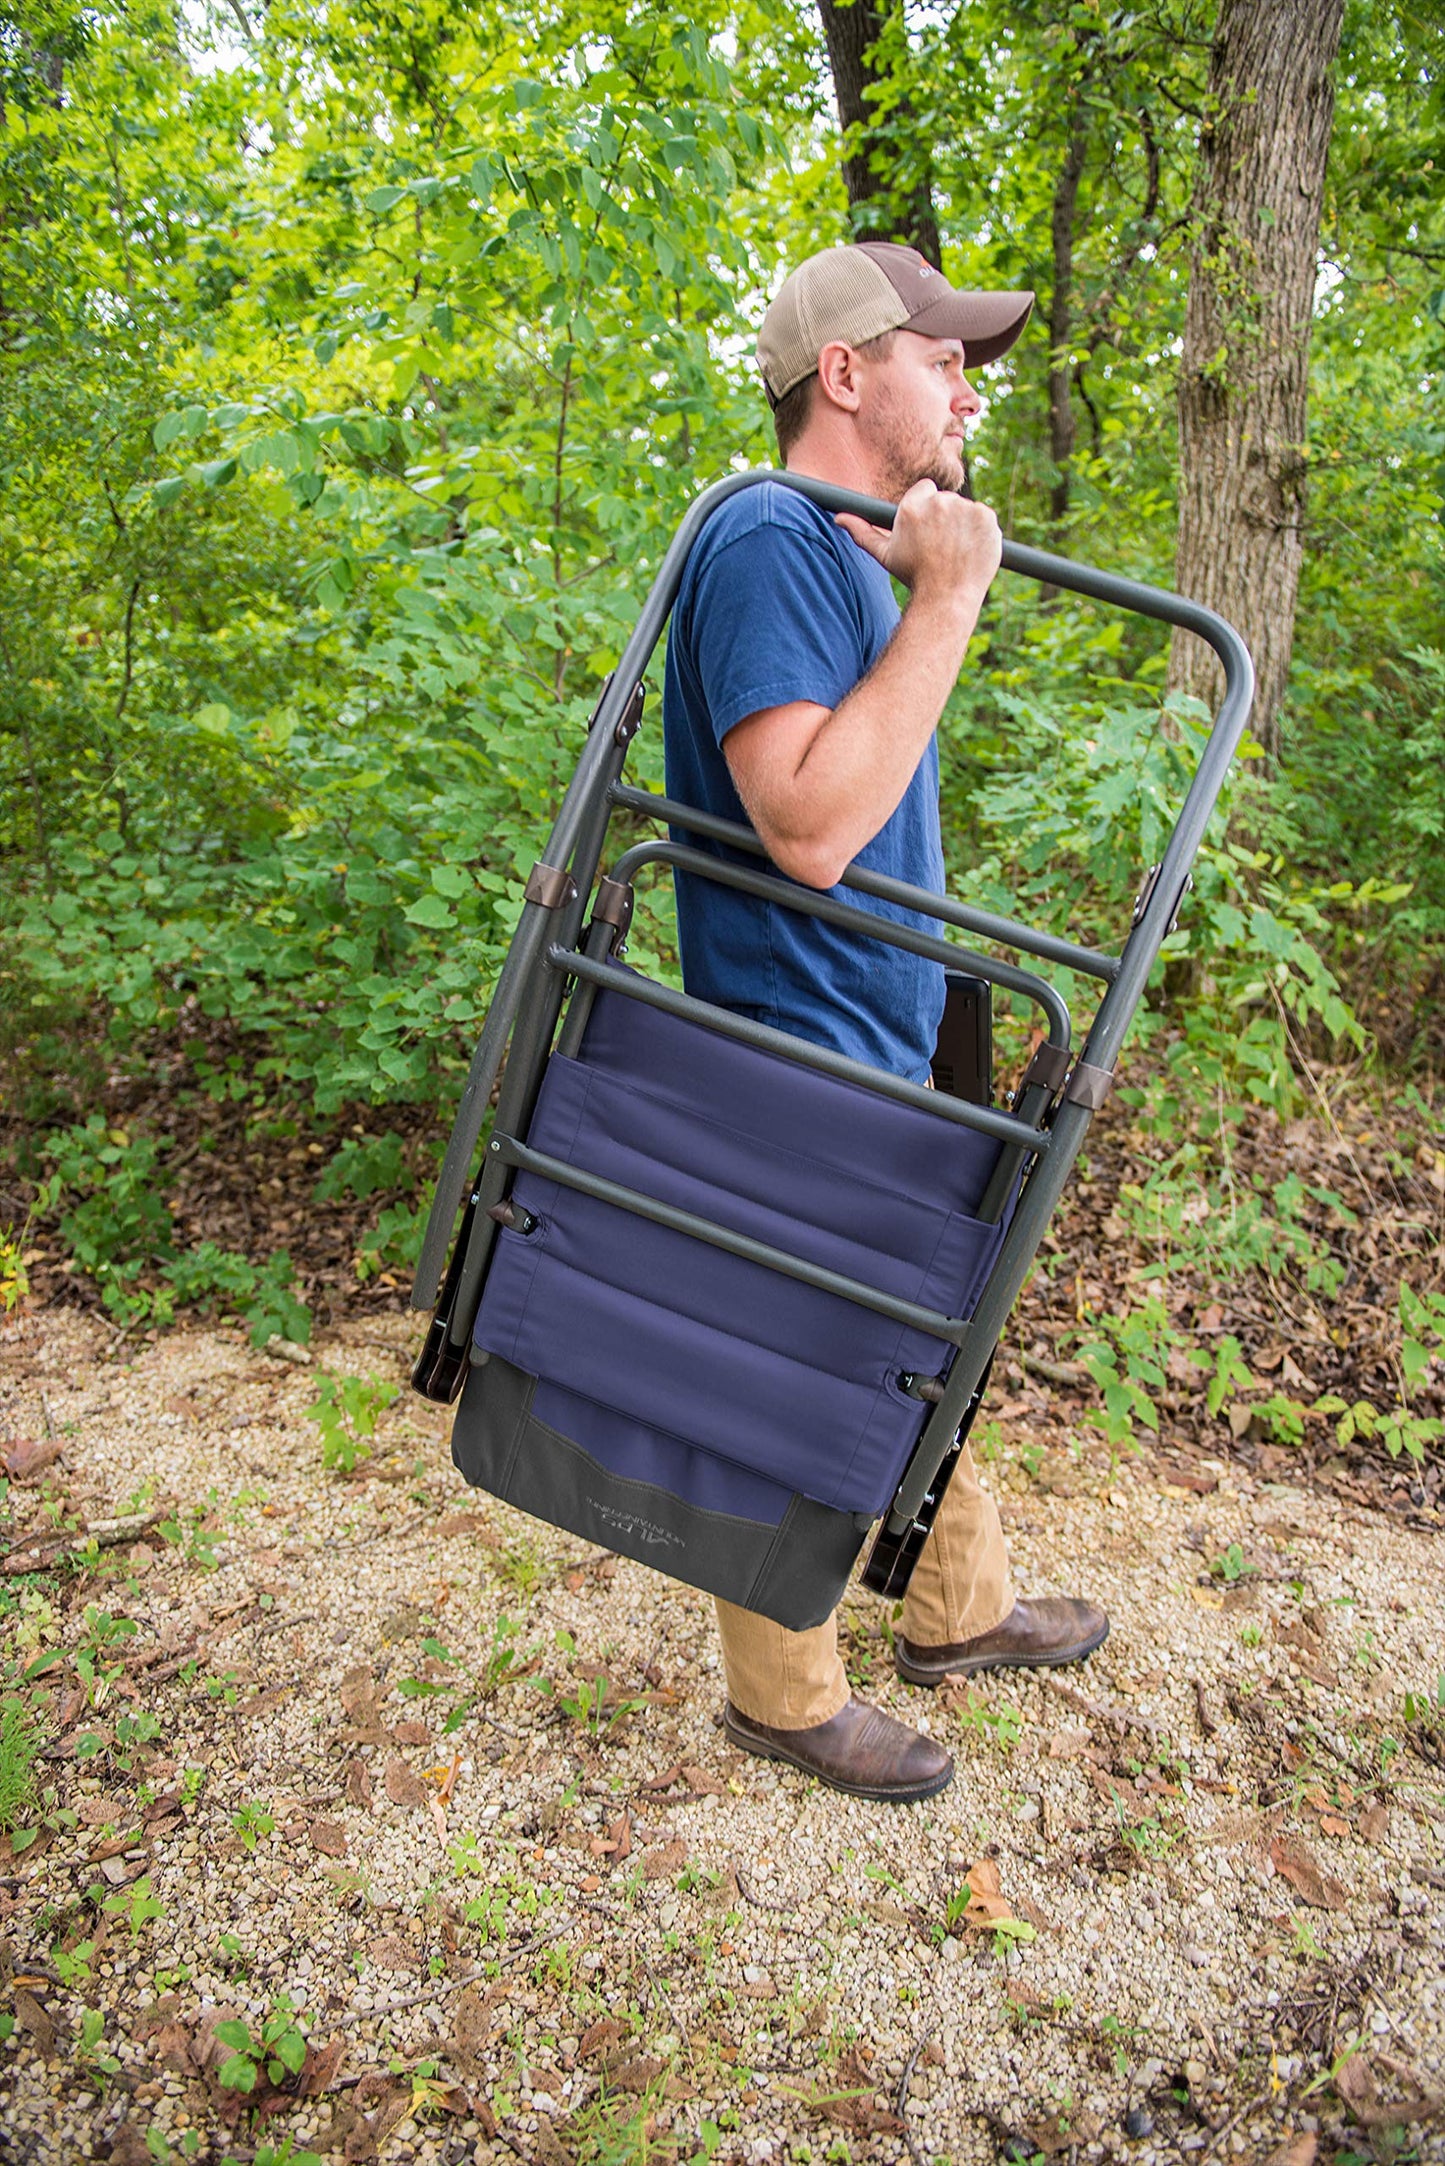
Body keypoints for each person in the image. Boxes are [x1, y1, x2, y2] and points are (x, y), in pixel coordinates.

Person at [661, 241, 1109, 1805]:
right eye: (941, 359)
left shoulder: (845, 552)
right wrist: (956, 594)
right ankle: (779, 1693)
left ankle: (955, 1604)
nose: (967, 390)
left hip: (874, 1019)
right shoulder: (769, 537)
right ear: (844, 373)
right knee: (799, 1347)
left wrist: (925, 591)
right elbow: (804, 822)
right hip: (796, 1033)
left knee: (917, 1318)